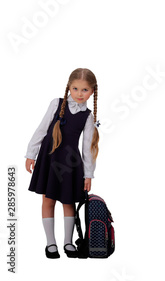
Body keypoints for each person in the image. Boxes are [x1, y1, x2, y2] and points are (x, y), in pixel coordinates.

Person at [25, 68, 100, 259]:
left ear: (92, 91)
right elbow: (42, 129)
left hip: (70, 164)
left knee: (68, 202)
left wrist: (88, 174)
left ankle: (68, 242)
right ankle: (51, 243)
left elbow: (87, 148)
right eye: (75, 89)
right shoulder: (57, 104)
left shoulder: (87, 117)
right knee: (47, 200)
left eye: (85, 90)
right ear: (69, 87)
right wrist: (31, 153)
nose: (79, 94)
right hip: (49, 159)